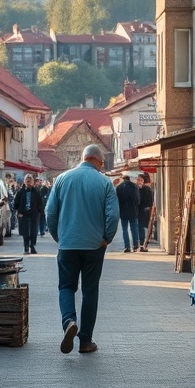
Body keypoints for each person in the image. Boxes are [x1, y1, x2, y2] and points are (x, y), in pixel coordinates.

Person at [45, 144, 119, 355]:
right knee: (90, 291)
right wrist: (107, 237)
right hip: (94, 245)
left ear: (83, 157)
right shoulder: (105, 182)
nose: (102, 167)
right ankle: (85, 341)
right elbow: (112, 216)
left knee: (66, 287)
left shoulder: (61, 180)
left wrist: (58, 236)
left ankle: (69, 320)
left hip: (68, 244)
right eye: (102, 163)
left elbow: (50, 212)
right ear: (96, 160)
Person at [14, 174, 44, 254]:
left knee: (33, 232)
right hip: (23, 215)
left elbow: (40, 203)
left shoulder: (36, 192)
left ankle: (32, 245)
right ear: (24, 181)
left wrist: (40, 212)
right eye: (27, 180)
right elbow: (16, 203)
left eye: (30, 180)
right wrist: (18, 212)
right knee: (25, 232)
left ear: (33, 182)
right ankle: (26, 247)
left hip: (34, 215)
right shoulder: (21, 192)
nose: (28, 182)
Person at [115, 173, 140, 253]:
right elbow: (137, 200)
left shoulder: (119, 187)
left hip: (123, 211)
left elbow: (117, 201)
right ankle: (135, 246)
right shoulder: (134, 186)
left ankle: (127, 247)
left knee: (124, 230)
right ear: (129, 179)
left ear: (123, 179)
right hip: (133, 211)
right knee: (134, 229)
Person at [136, 174, 154, 251]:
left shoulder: (144, 189)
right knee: (141, 227)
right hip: (141, 210)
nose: (138, 181)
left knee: (142, 227)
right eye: (138, 180)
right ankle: (142, 244)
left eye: (140, 180)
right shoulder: (138, 189)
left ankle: (142, 244)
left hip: (143, 210)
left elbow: (150, 200)